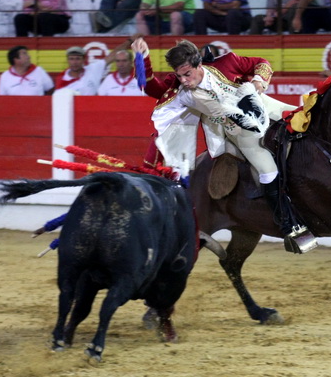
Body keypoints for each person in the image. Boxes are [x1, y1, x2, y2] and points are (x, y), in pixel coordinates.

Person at [132, 38, 312, 251]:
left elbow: (261, 63)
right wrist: (142, 58)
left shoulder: (227, 62)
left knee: (307, 118)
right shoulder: (179, 85)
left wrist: (258, 83)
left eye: (187, 74)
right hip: (235, 130)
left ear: (200, 65)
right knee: (267, 169)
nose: (184, 80)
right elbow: (152, 87)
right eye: (179, 76)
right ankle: (289, 225)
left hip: (262, 104)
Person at [55, 42, 129, 95]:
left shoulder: (93, 69)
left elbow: (113, 55)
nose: (74, 62)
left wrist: (130, 41)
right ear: (68, 60)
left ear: (84, 60)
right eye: (71, 59)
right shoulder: (61, 79)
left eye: (78, 59)